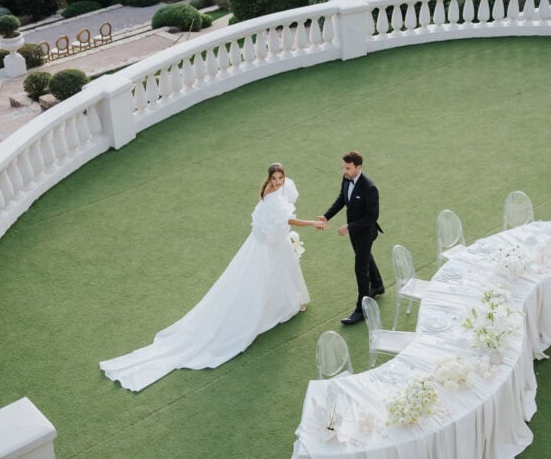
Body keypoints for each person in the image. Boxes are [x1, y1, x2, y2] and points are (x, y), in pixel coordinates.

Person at [100, 163, 325, 391]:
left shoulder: (283, 189)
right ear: (268, 179)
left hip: (275, 242)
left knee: (284, 270)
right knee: (265, 278)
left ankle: (292, 302)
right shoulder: (271, 197)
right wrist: (313, 223)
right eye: (274, 179)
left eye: (280, 178)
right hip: (268, 245)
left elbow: (289, 201)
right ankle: (278, 306)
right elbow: (288, 221)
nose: (277, 183)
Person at [319, 151, 383, 325]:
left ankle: (361, 310)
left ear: (358, 167)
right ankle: (377, 284)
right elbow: (342, 199)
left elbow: (372, 217)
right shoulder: (347, 179)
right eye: (344, 167)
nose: (345, 171)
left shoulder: (369, 187)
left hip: (364, 232)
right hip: (354, 232)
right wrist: (326, 216)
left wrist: (349, 227)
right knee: (365, 256)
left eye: (348, 168)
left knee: (360, 268)